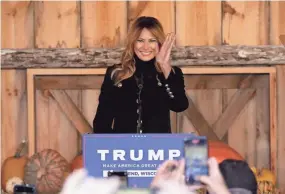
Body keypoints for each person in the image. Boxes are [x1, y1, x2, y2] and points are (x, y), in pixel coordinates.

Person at [93, 16, 189, 134]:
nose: (146, 47)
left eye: (152, 40)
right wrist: (115, 146)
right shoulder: (116, 73)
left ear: (159, 43)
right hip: (124, 149)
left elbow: (180, 105)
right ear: (133, 43)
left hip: (157, 149)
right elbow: (101, 122)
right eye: (140, 40)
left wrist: (164, 66)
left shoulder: (171, 73)